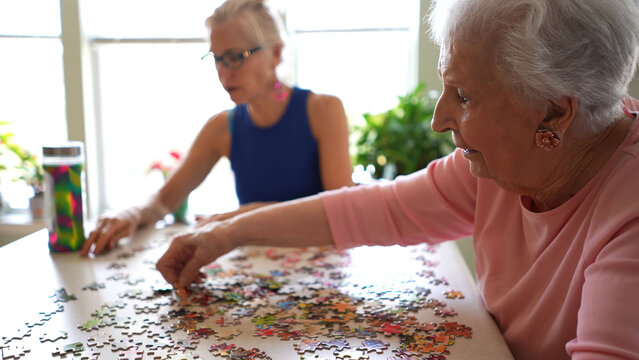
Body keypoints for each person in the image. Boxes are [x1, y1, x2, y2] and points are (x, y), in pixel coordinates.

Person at [156, 0, 639, 358]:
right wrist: (229, 232)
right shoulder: (497, 166)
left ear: (553, 113)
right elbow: (374, 208)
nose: (439, 118)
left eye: (464, 97)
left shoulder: (629, 220)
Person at [81, 0, 353, 256]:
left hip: (324, 268)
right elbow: (164, 201)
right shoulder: (222, 127)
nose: (224, 72)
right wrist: (131, 213)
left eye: (236, 57)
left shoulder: (322, 111)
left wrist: (239, 217)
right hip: (256, 276)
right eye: (217, 58)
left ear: (276, 53)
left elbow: (341, 210)